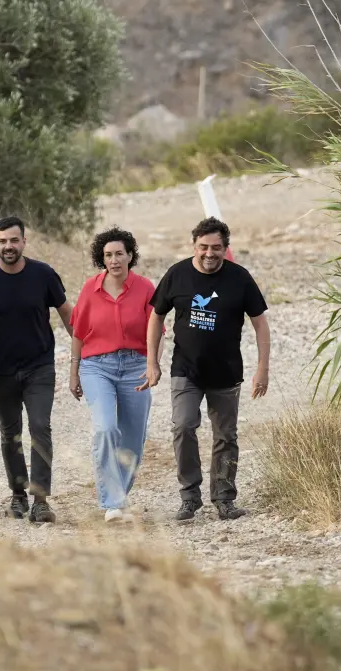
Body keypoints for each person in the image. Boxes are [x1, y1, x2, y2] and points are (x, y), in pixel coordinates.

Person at [140, 216, 271, 522]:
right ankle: (189, 496)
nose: (210, 253)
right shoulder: (177, 274)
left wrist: (262, 368)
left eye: (216, 248)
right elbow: (156, 317)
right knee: (183, 427)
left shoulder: (239, 278)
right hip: (186, 370)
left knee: (226, 436)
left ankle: (224, 499)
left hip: (226, 373)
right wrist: (152, 363)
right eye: (203, 247)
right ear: (194, 246)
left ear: (226, 248)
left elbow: (260, 324)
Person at [0, 216, 73, 524]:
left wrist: (84, 355)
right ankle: (18, 493)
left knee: (40, 427)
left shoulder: (44, 275)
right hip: (0, 370)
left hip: (40, 365)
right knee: (10, 433)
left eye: (14, 240)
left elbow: (68, 316)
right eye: (3, 241)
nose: (8, 246)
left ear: (24, 241)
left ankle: (40, 500)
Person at [68, 227, 161, 523]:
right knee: (106, 428)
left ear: (130, 255)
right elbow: (79, 333)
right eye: (108, 255)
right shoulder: (90, 289)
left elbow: (155, 331)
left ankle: (117, 495)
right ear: (102, 258)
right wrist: (74, 372)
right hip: (97, 366)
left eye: (119, 253)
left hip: (136, 365)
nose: (114, 260)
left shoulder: (146, 288)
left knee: (133, 439)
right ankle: (112, 502)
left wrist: (153, 364)